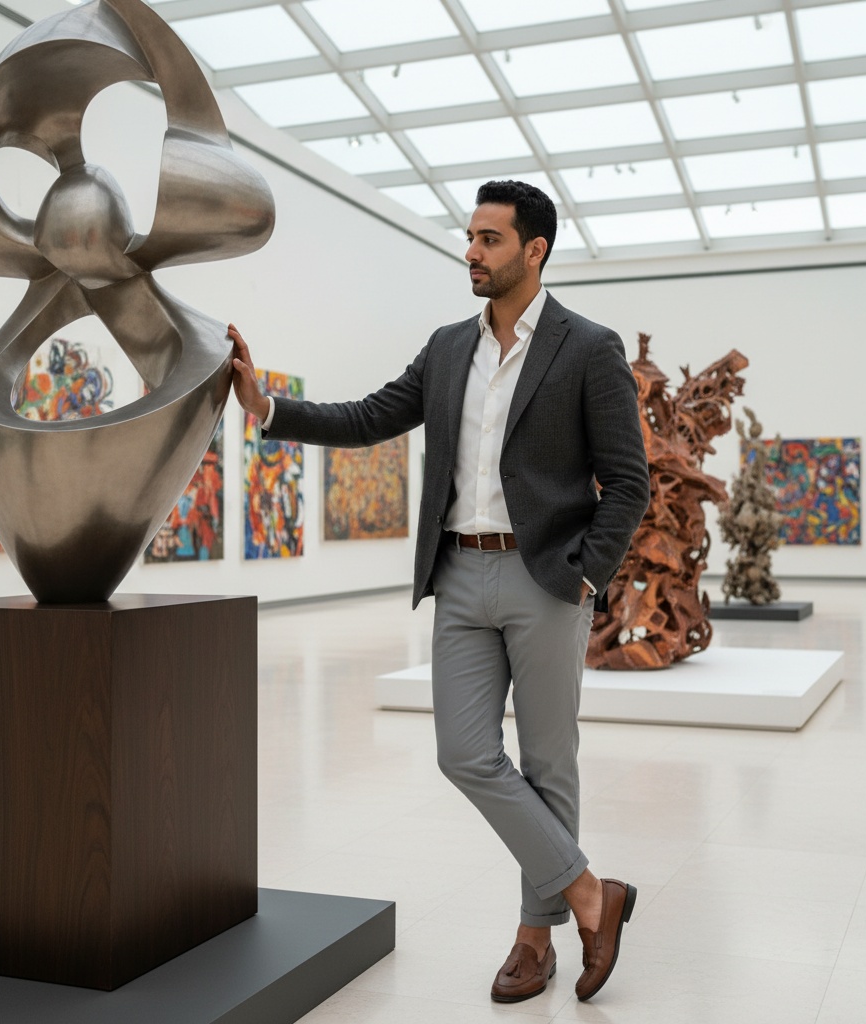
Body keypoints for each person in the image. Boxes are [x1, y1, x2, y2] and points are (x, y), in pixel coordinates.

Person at [229, 180, 650, 1004]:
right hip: (458, 573)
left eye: (490, 239)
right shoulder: (449, 345)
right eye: (469, 236)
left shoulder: (587, 348)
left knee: (548, 762)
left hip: (546, 578)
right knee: (464, 751)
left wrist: (584, 572)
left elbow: (628, 482)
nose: (471, 251)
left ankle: (536, 940)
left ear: (535, 251)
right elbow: (369, 417)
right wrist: (266, 405)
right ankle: (593, 895)